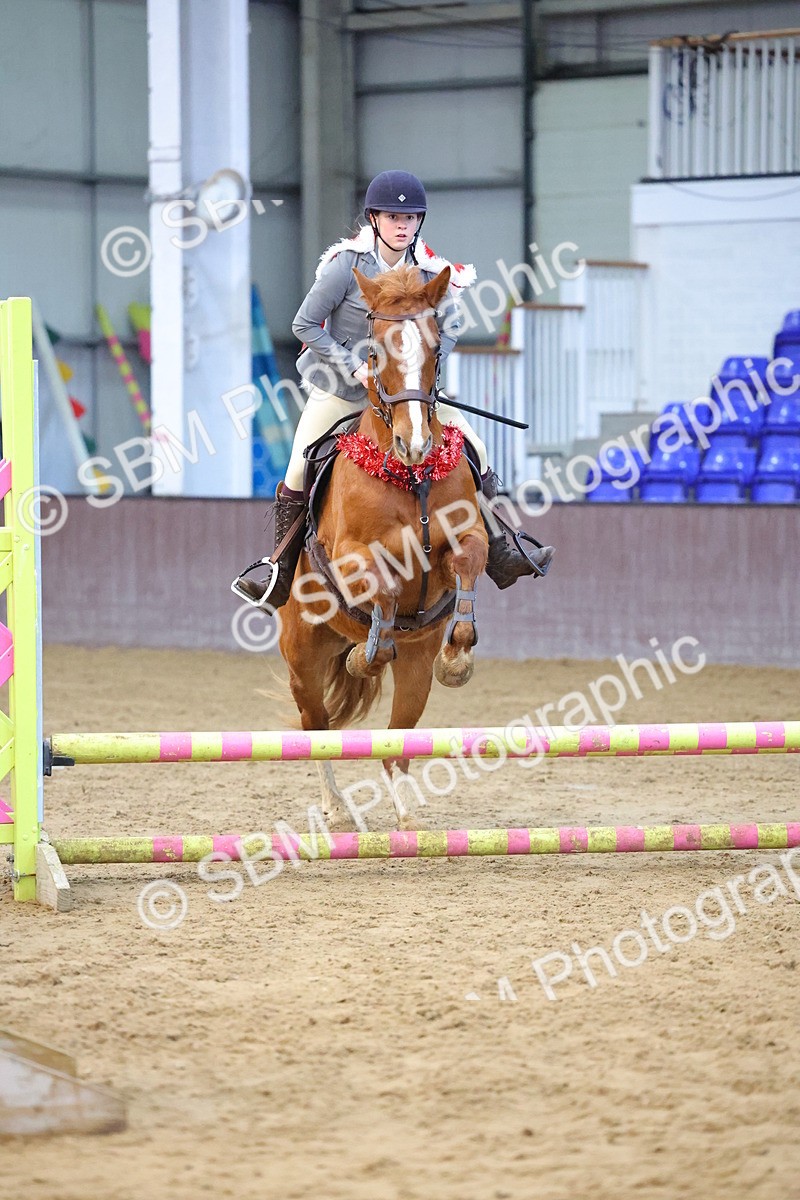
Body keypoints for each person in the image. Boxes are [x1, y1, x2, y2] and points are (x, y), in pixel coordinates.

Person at [233, 170, 554, 610]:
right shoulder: (345, 267)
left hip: (409, 396)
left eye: (411, 217)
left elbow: (453, 323)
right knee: (298, 465)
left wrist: (420, 369)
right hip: (344, 389)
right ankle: (279, 571)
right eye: (393, 216)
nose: (403, 225)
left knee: (478, 449)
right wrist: (356, 366)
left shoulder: (430, 272)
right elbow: (304, 324)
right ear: (374, 218)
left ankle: (501, 548)